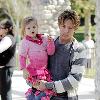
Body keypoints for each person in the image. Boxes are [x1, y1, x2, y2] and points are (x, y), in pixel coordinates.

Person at [35, 9, 87, 100]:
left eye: (70, 28)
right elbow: (37, 67)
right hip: (45, 96)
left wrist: (47, 85)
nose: (66, 30)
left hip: (67, 97)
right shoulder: (48, 44)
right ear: (59, 25)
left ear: (75, 29)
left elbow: (74, 81)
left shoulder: (79, 49)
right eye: (63, 26)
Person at [19, 16, 55, 100]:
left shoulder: (44, 39)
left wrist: (50, 43)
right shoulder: (25, 42)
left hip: (43, 71)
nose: (32, 29)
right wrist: (24, 70)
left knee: (42, 90)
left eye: (34, 27)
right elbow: (22, 56)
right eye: (28, 28)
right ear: (24, 30)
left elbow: (50, 52)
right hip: (33, 70)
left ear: (37, 27)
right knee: (36, 88)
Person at [0, 19, 16, 100]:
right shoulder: (4, 38)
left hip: (6, 68)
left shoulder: (8, 38)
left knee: (5, 92)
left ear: (6, 29)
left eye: (0, 27)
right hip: (4, 68)